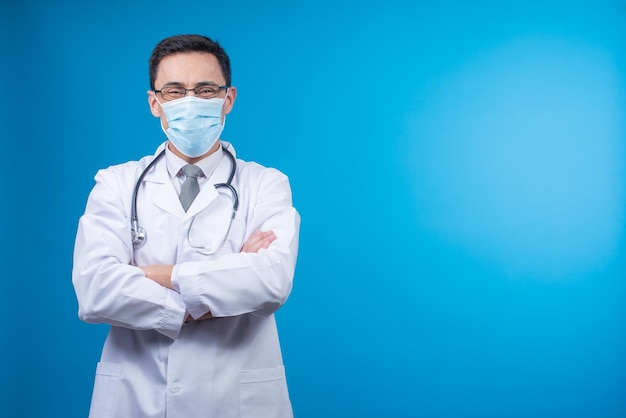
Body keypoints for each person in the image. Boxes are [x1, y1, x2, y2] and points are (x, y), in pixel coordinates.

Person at [72, 34, 300, 418]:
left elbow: (271, 282)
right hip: (136, 397)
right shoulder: (116, 183)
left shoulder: (266, 184)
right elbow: (95, 290)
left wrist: (157, 274)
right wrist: (210, 293)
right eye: (175, 91)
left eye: (206, 89)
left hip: (236, 400)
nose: (190, 102)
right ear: (154, 103)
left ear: (228, 99)